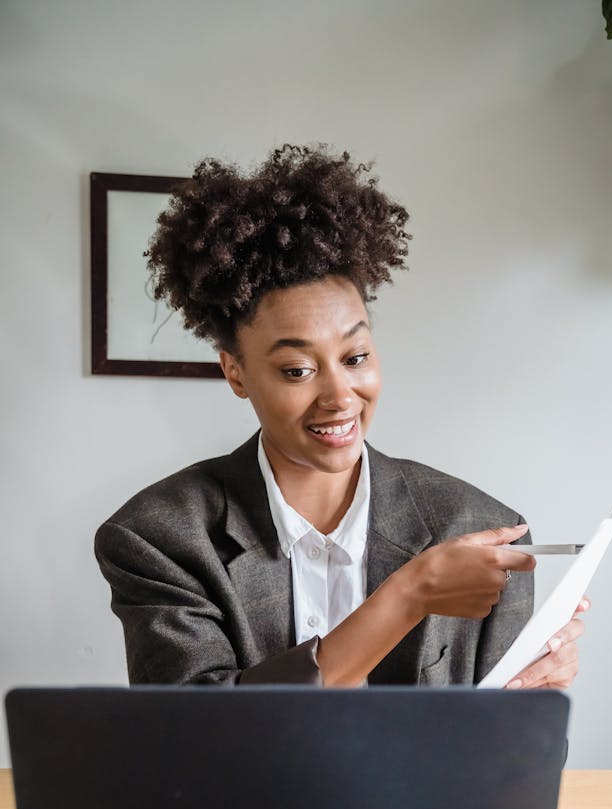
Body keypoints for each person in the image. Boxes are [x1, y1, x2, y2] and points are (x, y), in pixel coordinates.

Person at [95, 145, 586, 688]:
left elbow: (513, 764)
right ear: (235, 373)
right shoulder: (160, 537)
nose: (339, 396)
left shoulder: (476, 529)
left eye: (355, 359)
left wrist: (531, 706)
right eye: (297, 370)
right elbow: (192, 739)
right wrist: (407, 596)